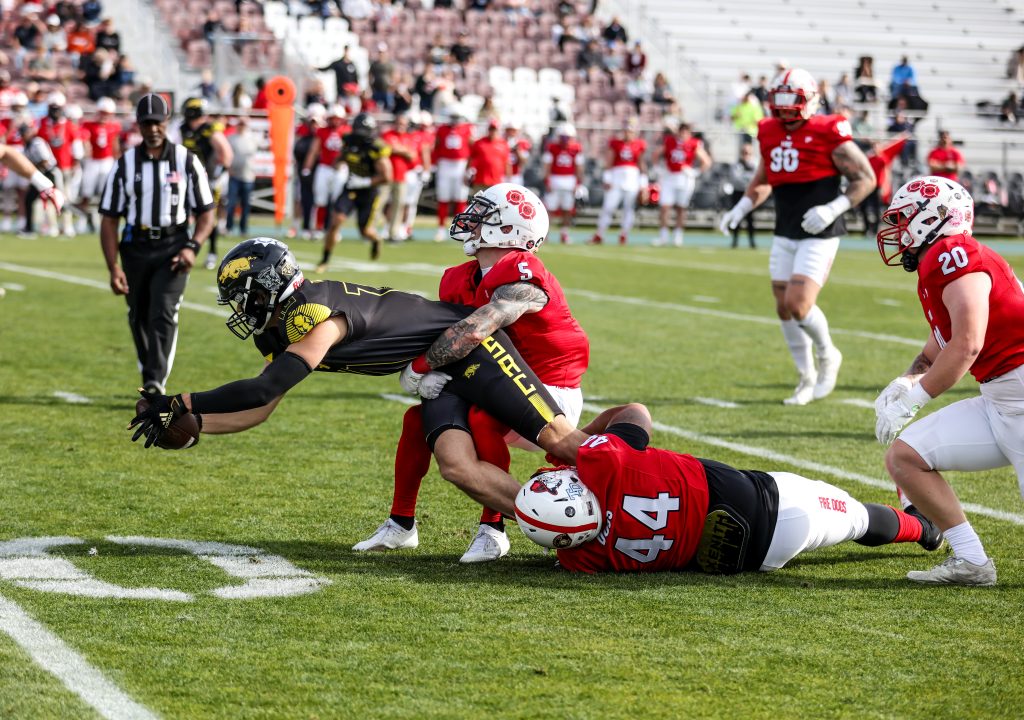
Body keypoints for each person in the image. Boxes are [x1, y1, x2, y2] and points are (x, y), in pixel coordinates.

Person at [127, 238, 590, 508]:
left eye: (239, 295)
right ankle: (557, 523)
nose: (236, 307)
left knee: (559, 441)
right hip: (436, 368)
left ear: (266, 289)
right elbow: (260, 408)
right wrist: (194, 425)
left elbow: (267, 385)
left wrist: (182, 402)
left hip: (471, 347)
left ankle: (638, 486)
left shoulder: (312, 314)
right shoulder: (279, 327)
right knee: (457, 467)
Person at [355, 183, 589, 562]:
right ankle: (401, 525)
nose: (472, 219)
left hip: (548, 391)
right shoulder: (459, 277)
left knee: (481, 422)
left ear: (510, 230)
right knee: (417, 420)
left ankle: (493, 530)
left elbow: (477, 328)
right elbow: (442, 333)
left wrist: (421, 366)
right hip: (493, 379)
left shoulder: (520, 272)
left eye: (485, 214)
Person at [514, 403, 943, 574]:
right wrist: (578, 444)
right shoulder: (605, 462)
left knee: (848, 522)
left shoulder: (584, 558)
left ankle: (922, 528)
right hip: (776, 505)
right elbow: (635, 413)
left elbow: (567, 550)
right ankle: (925, 529)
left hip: (759, 557)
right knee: (860, 517)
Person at [873, 177, 1024, 587]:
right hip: (999, 400)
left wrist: (916, 399)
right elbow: (937, 346)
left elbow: (968, 344)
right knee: (906, 458)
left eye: (905, 219)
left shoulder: (952, 253)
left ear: (936, 217)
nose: (899, 230)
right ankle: (972, 561)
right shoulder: (938, 261)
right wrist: (905, 382)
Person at [720, 69, 876, 405]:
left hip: (820, 231)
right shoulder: (769, 131)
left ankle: (828, 354)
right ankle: (805, 377)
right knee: (783, 308)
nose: (786, 108)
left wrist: (834, 208)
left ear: (811, 101)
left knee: (798, 303)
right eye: (781, 99)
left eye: (794, 100)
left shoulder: (827, 130)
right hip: (785, 228)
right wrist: (742, 207)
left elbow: (866, 178)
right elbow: (763, 179)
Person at [98, 93, 216, 395]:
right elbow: (110, 219)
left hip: (173, 244)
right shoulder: (124, 164)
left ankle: (154, 382)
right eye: (147, 123)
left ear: (167, 122)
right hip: (136, 245)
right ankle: (150, 369)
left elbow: (207, 211)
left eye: (158, 122)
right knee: (138, 313)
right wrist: (113, 267)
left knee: (163, 310)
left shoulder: (186, 160)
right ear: (139, 125)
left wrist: (193, 246)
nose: (152, 129)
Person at [316, 112, 392, 267]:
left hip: (369, 192)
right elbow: (341, 157)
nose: (360, 134)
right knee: (335, 221)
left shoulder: (376, 148)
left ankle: (376, 239)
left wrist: (364, 181)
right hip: (351, 188)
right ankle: (325, 259)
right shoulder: (348, 142)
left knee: (365, 232)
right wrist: (336, 165)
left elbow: (387, 177)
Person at [178, 97, 232, 270]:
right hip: (187, 178)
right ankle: (183, 249)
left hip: (208, 179)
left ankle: (212, 253)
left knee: (209, 216)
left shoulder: (210, 130)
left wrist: (217, 176)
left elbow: (226, 155)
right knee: (183, 213)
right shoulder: (183, 129)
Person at [590, 118, 647, 245]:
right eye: (626, 131)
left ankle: (624, 234)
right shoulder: (615, 143)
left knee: (629, 208)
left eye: (631, 131)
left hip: (632, 179)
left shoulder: (639, 144)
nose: (628, 133)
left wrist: (644, 183)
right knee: (608, 207)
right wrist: (607, 178)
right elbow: (609, 161)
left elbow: (641, 163)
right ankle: (600, 233)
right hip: (617, 178)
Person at [653, 121, 711, 247]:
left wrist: (695, 172)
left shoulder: (694, 144)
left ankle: (678, 236)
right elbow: (656, 154)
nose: (684, 134)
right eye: (682, 131)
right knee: (664, 207)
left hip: (685, 178)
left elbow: (706, 161)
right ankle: (663, 236)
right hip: (669, 177)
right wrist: (658, 169)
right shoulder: (670, 141)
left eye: (686, 131)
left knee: (681, 208)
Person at [302, 104, 349, 240]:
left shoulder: (346, 131)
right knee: (320, 200)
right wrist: (307, 167)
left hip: (340, 169)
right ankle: (318, 228)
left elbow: (350, 152)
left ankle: (334, 230)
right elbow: (314, 151)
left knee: (337, 202)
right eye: (333, 118)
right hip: (324, 168)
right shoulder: (322, 132)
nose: (335, 121)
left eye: (337, 118)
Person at [78, 96, 121, 233]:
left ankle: (105, 221)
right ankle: (82, 220)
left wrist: (118, 159)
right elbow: (86, 142)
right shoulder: (89, 125)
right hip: (93, 161)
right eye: (102, 112)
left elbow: (115, 144)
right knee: (87, 192)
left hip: (107, 161)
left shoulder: (114, 126)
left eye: (107, 113)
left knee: (106, 193)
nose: (104, 116)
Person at [432, 106, 473, 242]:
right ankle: (441, 229)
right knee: (443, 198)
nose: (455, 120)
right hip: (445, 164)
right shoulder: (442, 129)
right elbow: (436, 146)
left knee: (460, 198)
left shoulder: (467, 129)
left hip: (461, 165)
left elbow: (472, 147)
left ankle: (459, 228)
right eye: (453, 117)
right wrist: (434, 163)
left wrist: (470, 166)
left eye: (457, 117)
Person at [542, 122, 584, 244]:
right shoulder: (552, 147)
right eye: (563, 137)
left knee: (567, 209)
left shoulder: (576, 148)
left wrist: (578, 182)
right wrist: (547, 180)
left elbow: (579, 167)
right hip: (555, 180)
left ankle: (564, 233)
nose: (566, 140)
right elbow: (547, 166)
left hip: (570, 181)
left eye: (568, 137)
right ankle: (545, 234)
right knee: (550, 209)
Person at [860, 136, 908, 237]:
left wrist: (884, 187)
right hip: (869, 186)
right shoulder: (870, 159)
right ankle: (867, 228)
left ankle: (875, 229)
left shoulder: (882, 158)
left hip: (877, 186)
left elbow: (886, 170)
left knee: (877, 209)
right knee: (863, 207)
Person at [380, 113, 417, 242]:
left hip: (401, 175)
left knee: (399, 205)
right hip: (386, 175)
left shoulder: (408, 137)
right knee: (379, 204)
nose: (400, 126)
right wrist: (403, 151)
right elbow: (387, 148)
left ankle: (393, 232)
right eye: (399, 123)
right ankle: (371, 229)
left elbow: (412, 155)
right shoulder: (388, 135)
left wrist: (398, 150)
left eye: (403, 123)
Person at [225, 116, 257, 236]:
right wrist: (228, 169)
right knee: (231, 203)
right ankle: (229, 227)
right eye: (240, 124)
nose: (242, 126)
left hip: (247, 176)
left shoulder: (252, 138)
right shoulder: (231, 138)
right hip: (234, 175)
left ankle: (243, 228)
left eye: (244, 124)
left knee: (246, 204)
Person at [726, 143, 757, 249]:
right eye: (744, 152)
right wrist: (748, 180)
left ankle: (752, 242)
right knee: (736, 218)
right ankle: (735, 241)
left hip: (750, 193)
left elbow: (756, 178)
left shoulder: (755, 164)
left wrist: (747, 179)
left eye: (748, 153)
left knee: (750, 219)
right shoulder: (736, 165)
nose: (746, 155)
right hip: (738, 192)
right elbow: (736, 179)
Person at [466, 118, 509, 195]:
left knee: (494, 204)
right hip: (480, 180)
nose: (492, 132)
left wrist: (508, 179)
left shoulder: (503, 144)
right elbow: (470, 158)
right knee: (477, 204)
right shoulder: (479, 143)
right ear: (488, 130)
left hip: (496, 182)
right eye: (491, 129)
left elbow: (506, 162)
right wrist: (466, 173)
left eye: (494, 129)